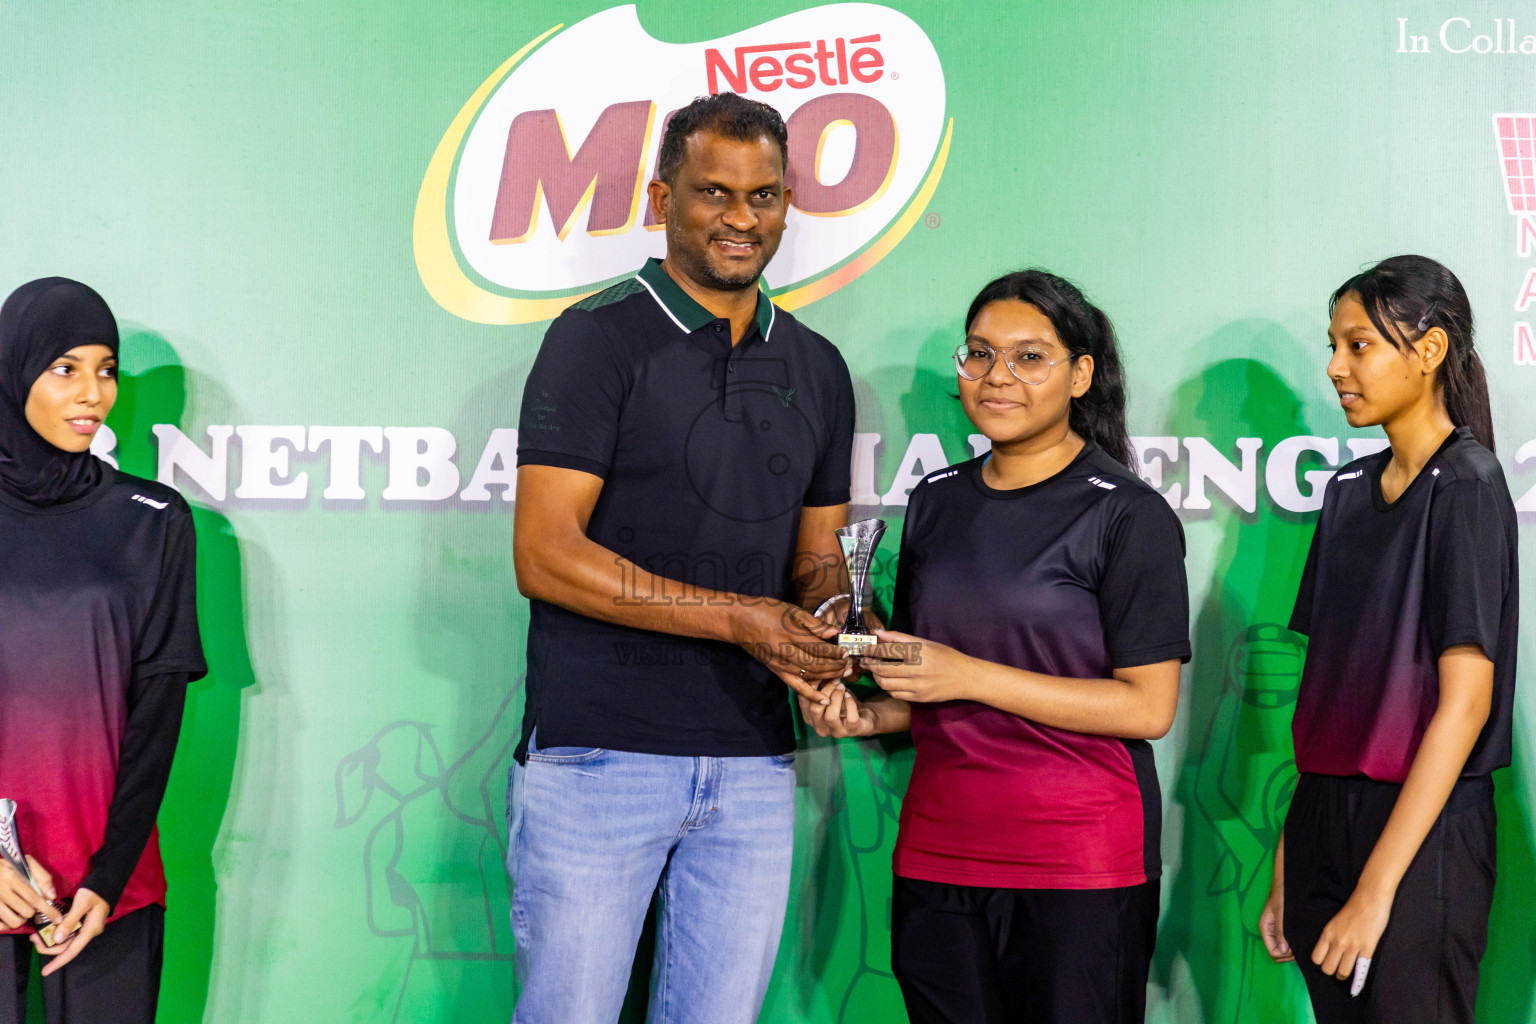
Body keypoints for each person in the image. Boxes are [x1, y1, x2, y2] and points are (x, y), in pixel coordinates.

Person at [508, 92, 856, 1024]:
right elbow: (545, 555)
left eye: (765, 195)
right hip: (598, 755)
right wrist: (741, 619)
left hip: (752, 762)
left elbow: (816, 563)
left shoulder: (818, 366)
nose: (743, 219)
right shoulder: (595, 338)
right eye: (715, 193)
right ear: (663, 200)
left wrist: (832, 641)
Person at [801, 269, 1190, 1024]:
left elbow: (1147, 707)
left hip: (1078, 866)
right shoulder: (937, 500)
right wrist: (868, 716)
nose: (995, 376)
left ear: (1081, 375)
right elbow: (931, 694)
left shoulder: (1128, 515)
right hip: (938, 859)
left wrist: (964, 673)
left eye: (1028, 357)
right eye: (978, 355)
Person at [1258, 255, 1516, 1024]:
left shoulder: (1466, 485)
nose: (1336, 368)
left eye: (1359, 345)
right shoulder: (1343, 495)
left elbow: (1464, 708)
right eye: (1332, 345)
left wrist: (1377, 890)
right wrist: (1289, 856)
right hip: (1320, 825)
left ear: (1430, 349)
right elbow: (1330, 701)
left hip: (1422, 831)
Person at [0, 278, 206, 1024]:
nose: (94, 393)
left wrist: (110, 875)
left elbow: (158, 718)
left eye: (106, 368)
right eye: (65, 368)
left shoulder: (153, 521)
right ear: (16, 370)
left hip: (103, 887)